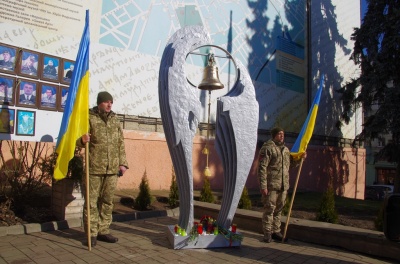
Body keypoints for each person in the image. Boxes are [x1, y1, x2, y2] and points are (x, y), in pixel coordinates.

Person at [77, 91, 129, 247]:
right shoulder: (89, 118)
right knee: (91, 203)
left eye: (111, 102)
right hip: (94, 168)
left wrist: (123, 163)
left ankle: (103, 230)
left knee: (107, 202)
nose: (109, 104)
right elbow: (76, 140)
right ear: (99, 103)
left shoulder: (115, 119)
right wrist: (81, 140)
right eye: (106, 102)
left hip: (112, 169)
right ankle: (91, 233)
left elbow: (120, 142)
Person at [257, 127, 305, 243]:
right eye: (279, 134)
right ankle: (267, 233)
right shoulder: (267, 148)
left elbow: (290, 165)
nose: (282, 136)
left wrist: (300, 159)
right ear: (274, 135)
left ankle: (276, 231)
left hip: (283, 185)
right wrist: (263, 186)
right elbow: (262, 168)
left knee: (279, 210)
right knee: (269, 209)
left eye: (283, 134)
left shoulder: (285, 150)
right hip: (271, 185)